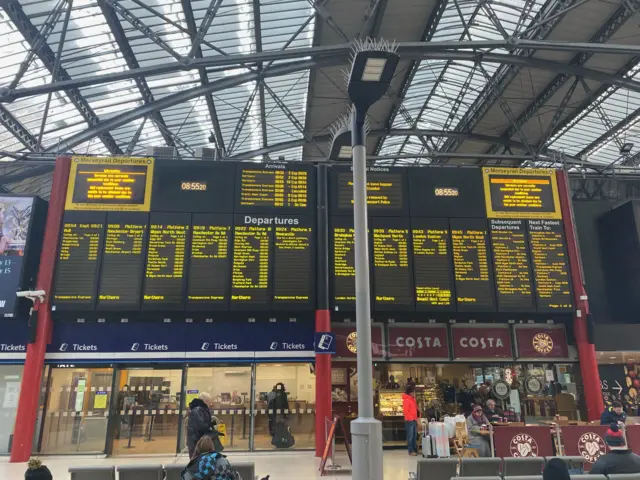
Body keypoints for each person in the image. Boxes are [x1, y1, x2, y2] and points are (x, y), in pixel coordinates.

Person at [187, 392, 222, 458]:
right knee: (197, 461)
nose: (210, 404)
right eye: (208, 401)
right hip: (197, 442)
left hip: (197, 441)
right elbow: (201, 426)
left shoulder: (199, 409)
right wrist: (211, 424)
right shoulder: (198, 410)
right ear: (203, 401)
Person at [402, 385, 419, 456]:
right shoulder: (406, 400)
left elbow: (414, 408)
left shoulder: (413, 399)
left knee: (414, 436)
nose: (415, 393)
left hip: (414, 419)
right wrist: (411, 418)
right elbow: (406, 411)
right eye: (413, 392)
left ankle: (414, 449)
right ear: (410, 393)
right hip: (410, 420)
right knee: (410, 436)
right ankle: (410, 450)